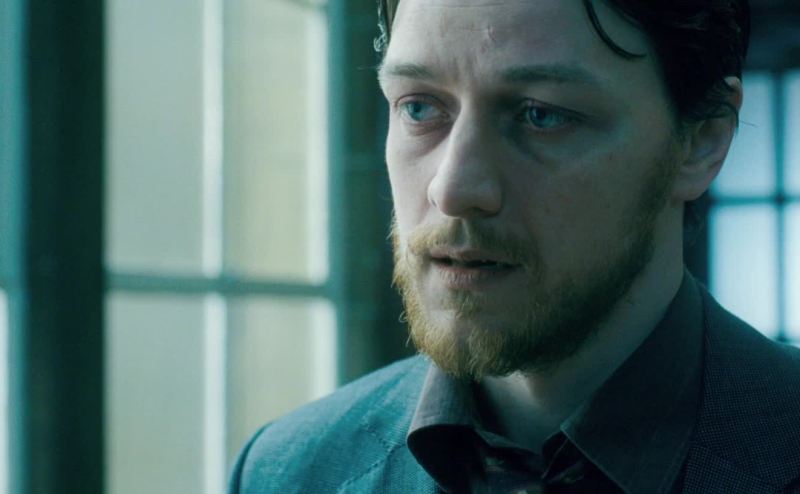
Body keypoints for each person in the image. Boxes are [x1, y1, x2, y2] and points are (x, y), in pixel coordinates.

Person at [229, 0, 800, 492]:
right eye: (419, 107)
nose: (453, 188)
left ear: (702, 141)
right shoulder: (289, 471)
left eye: (541, 115)